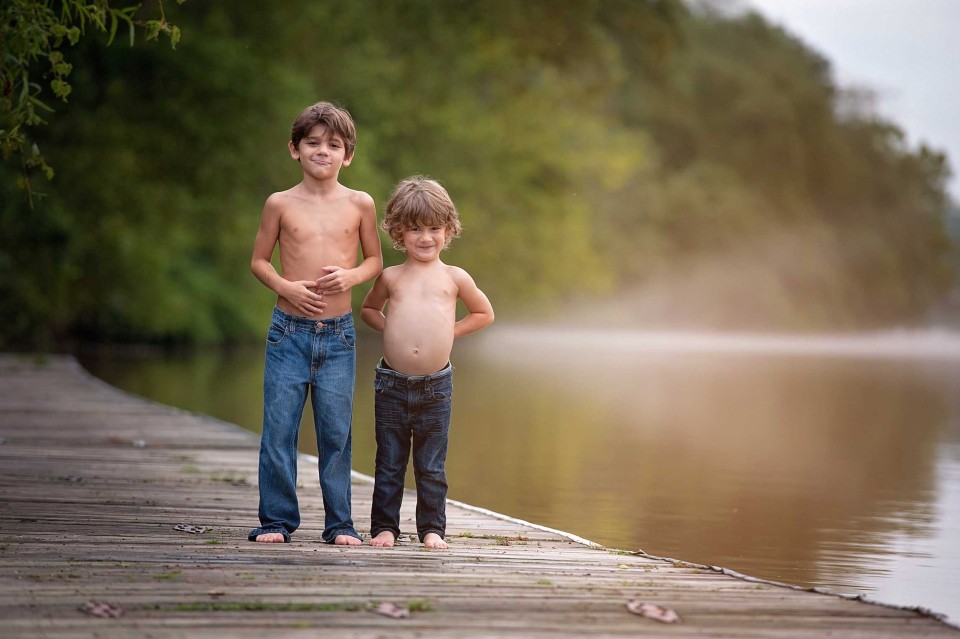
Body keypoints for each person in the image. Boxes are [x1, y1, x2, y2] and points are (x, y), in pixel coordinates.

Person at [247, 101, 382, 545]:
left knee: (336, 432)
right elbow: (259, 261)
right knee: (279, 429)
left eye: (333, 144)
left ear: (348, 156)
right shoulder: (280, 204)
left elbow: (375, 261)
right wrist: (286, 287)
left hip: (339, 335)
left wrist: (351, 275)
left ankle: (340, 523)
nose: (322, 151)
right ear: (294, 150)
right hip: (288, 332)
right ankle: (276, 521)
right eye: (312, 143)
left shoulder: (360, 204)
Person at [360, 176, 495, 549]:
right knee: (389, 462)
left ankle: (432, 529)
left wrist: (448, 333)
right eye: (415, 229)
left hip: (436, 386)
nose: (425, 237)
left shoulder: (454, 277)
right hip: (392, 384)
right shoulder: (391, 277)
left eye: (434, 228)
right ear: (398, 232)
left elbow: (484, 313)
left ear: (448, 231)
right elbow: (369, 309)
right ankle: (384, 528)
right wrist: (390, 329)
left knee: (431, 465)